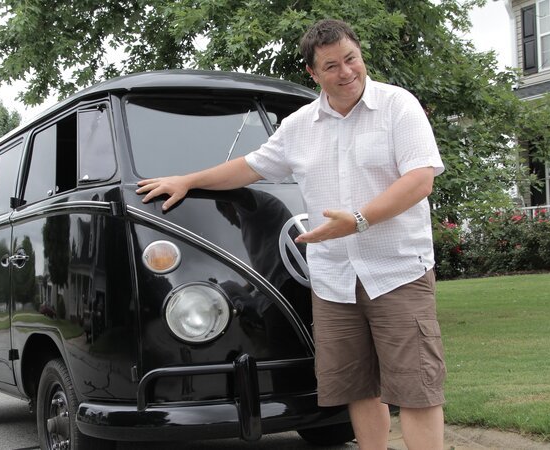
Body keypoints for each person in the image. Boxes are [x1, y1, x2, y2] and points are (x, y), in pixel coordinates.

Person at [137, 19, 446, 450]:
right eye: (332, 66)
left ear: (361, 55)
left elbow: (419, 180)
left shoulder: (398, 106)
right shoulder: (301, 125)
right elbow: (249, 165)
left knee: (416, 386)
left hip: (396, 271)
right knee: (357, 386)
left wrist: (358, 220)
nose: (346, 72)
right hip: (334, 279)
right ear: (313, 73)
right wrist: (188, 179)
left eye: (351, 59)